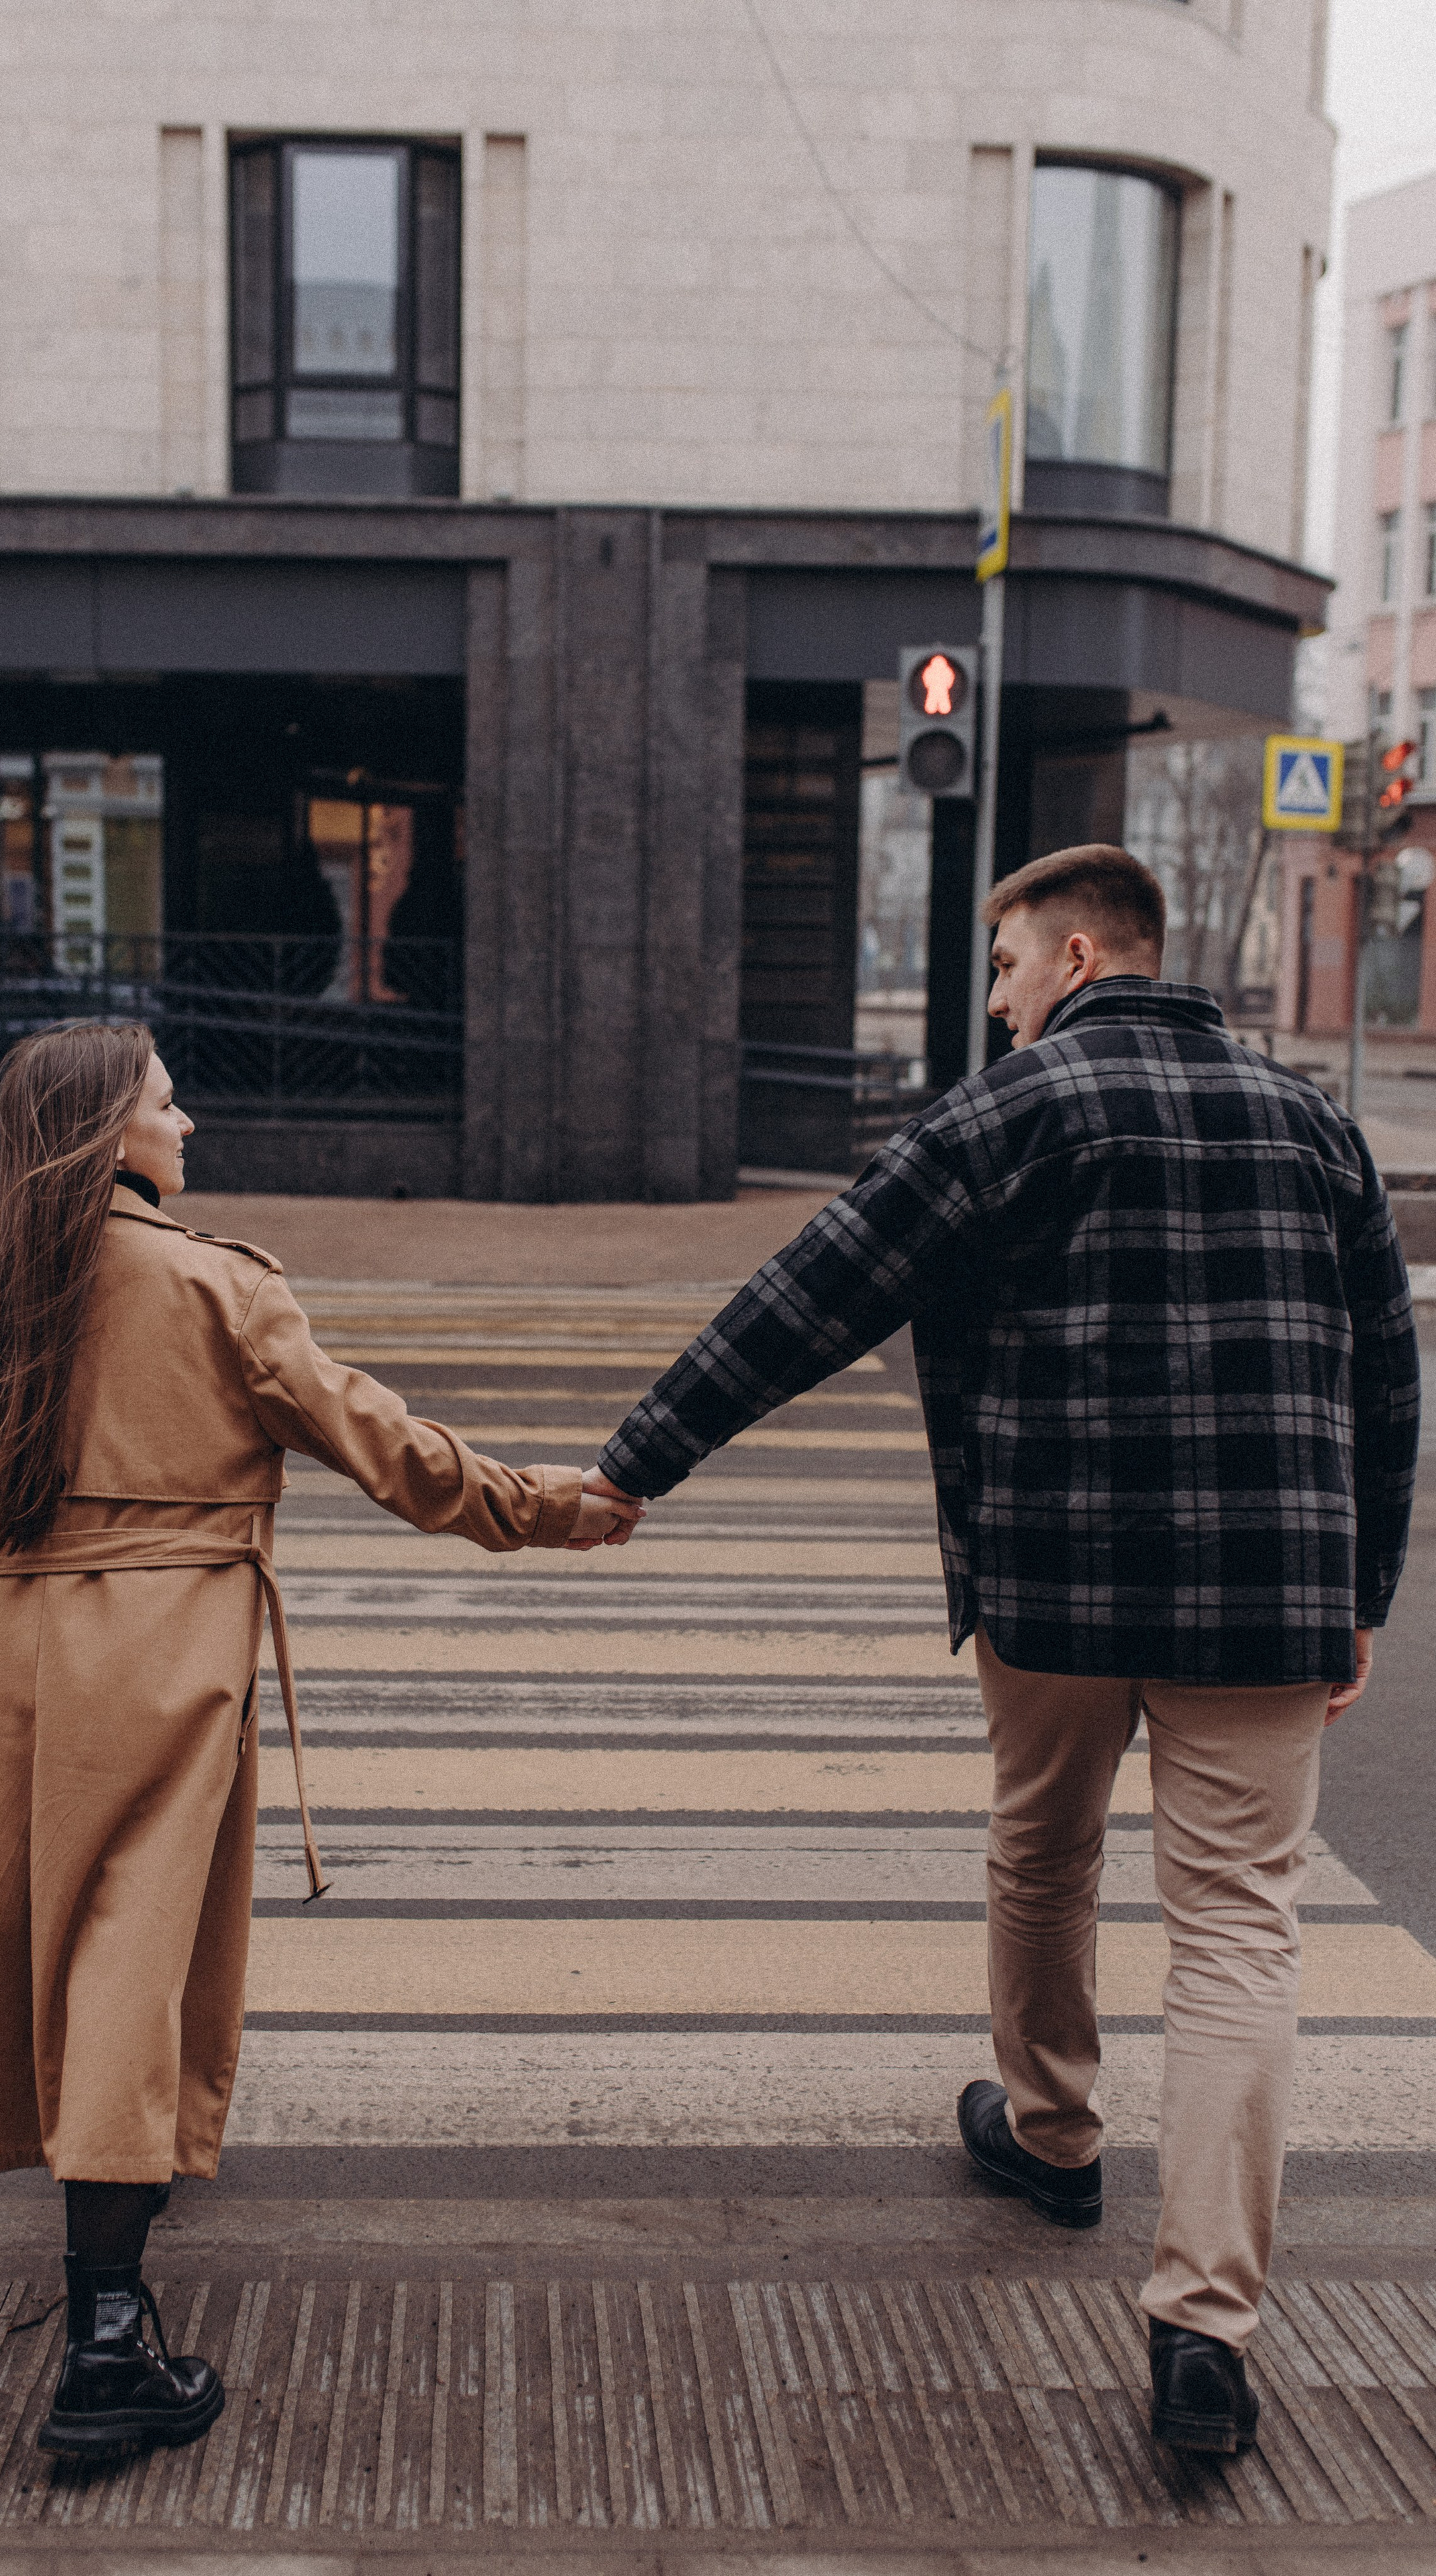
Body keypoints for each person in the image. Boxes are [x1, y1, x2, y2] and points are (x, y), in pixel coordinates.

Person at [586, 843, 1419, 2455]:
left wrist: (637, 1463)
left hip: (1053, 1581)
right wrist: (1361, 1591)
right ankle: (1203, 2328)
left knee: (1043, 1853)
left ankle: (1050, 2133)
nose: (995, 999)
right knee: (1240, 1934)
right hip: (1267, 1591)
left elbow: (811, 1294)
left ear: (1079, 958)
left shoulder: (1007, 1111)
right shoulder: (1314, 1123)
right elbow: (1385, 1377)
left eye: (1005, 966)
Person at [0, 1019, 638, 2460]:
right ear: (109, 1131)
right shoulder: (219, 1287)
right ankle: (108, 2338)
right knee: (126, 1951)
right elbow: (387, 1447)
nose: (189, 1126)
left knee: (21, 1935)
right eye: (168, 1104)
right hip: (160, 1658)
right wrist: (553, 1504)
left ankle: (111, 2182)